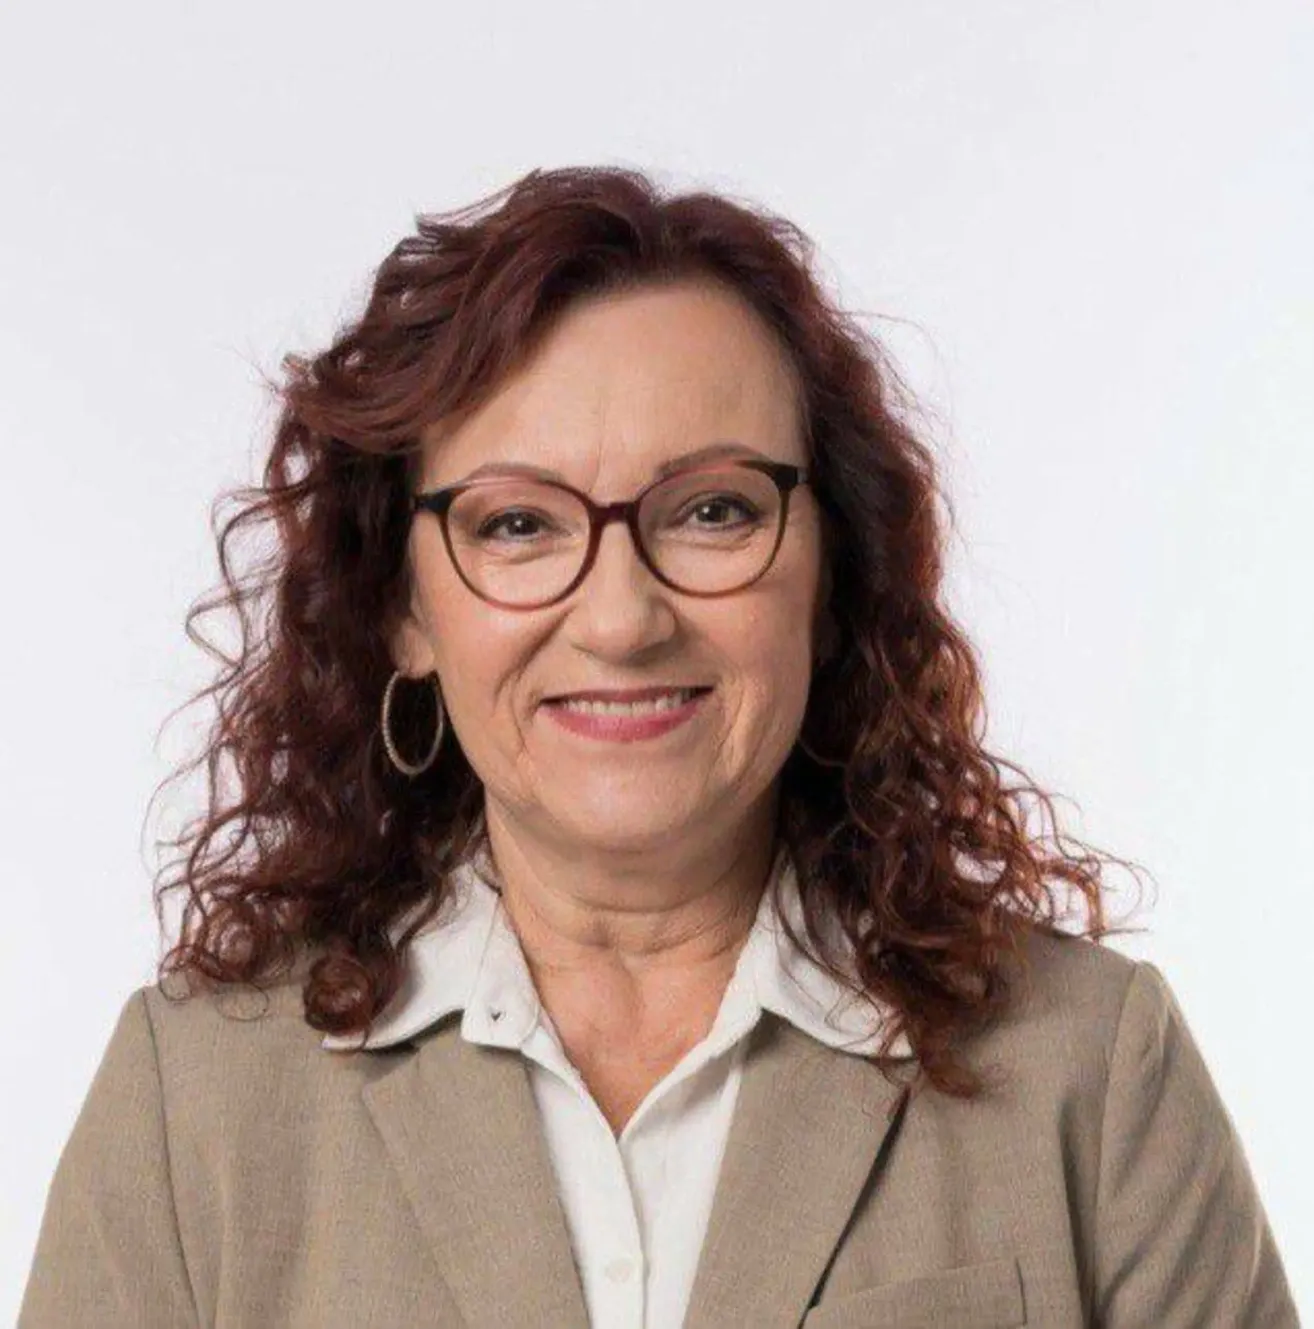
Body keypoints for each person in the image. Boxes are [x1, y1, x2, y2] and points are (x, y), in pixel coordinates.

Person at [20, 165, 1298, 1328]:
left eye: (713, 511)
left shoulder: (1090, 1069)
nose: (623, 618)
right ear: (405, 607)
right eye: (517, 525)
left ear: (832, 573)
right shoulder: (195, 1106)